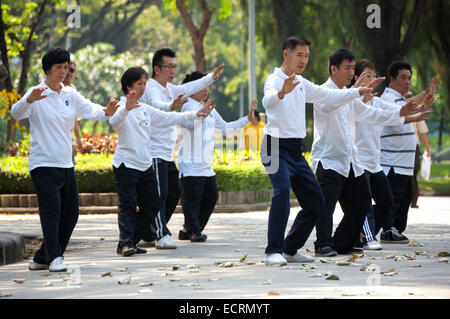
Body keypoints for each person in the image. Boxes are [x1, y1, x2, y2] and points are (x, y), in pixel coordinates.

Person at [261, 36, 373, 266]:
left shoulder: (302, 83)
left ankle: (290, 249)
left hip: (295, 150)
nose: (303, 60)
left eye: (306, 56)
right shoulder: (274, 80)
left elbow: (330, 95)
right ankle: (273, 250)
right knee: (282, 191)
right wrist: (281, 92)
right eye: (299, 55)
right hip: (273, 146)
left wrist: (356, 90)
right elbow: (268, 102)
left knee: (315, 202)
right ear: (286, 54)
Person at [311, 50, 431, 257]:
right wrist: (354, 91)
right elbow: (329, 107)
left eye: (352, 67)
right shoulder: (323, 92)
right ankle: (322, 244)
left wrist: (401, 113)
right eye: (347, 68)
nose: (351, 72)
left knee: (361, 203)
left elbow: (371, 114)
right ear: (333, 69)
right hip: (329, 159)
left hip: (350, 160)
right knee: (327, 205)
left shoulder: (353, 96)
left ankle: (341, 242)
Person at [11, 48, 119, 272]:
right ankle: (55, 257)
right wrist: (28, 100)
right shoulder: (36, 92)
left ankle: (42, 256)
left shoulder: (70, 94)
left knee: (71, 214)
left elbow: (91, 110)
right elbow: (16, 113)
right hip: (43, 163)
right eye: (59, 67)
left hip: (65, 163)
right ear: (48, 69)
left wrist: (107, 111)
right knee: (51, 212)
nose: (64, 71)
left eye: (66, 67)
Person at [109, 67, 214, 256]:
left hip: (144, 164)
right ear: (128, 86)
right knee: (128, 204)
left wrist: (196, 114)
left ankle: (131, 239)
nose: (143, 88)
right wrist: (126, 108)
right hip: (125, 165)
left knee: (154, 205)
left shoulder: (145, 109)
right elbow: (114, 122)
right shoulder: (121, 106)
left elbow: (169, 117)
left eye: (144, 84)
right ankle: (126, 243)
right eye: (139, 84)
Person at [136, 48, 225, 249]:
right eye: (169, 66)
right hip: (153, 151)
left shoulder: (170, 89)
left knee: (173, 194)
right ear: (157, 68)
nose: (173, 70)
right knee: (159, 196)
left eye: (175, 67)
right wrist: (172, 106)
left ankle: (144, 231)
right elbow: (158, 107)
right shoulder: (151, 88)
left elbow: (192, 85)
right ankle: (159, 234)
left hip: (166, 153)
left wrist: (211, 77)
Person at [177, 71, 256, 242]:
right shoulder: (188, 106)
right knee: (192, 201)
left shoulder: (209, 107)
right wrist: (201, 115)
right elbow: (189, 125)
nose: (206, 90)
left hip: (205, 165)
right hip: (190, 165)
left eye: (208, 87)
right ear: (193, 87)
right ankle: (194, 232)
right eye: (203, 86)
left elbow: (225, 128)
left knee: (211, 196)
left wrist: (246, 119)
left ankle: (188, 229)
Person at [379, 61, 438, 243]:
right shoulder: (387, 98)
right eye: (403, 78)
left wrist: (425, 94)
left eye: (409, 78)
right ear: (392, 79)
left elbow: (407, 105)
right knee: (392, 200)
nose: (408, 82)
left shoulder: (398, 98)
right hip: (393, 162)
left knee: (404, 200)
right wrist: (419, 109)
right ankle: (387, 230)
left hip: (404, 162)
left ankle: (395, 229)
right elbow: (399, 113)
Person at [63, 60, 84, 157]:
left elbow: (74, 119)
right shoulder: (56, 89)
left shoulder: (73, 91)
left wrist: (78, 140)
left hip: (69, 140)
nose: (68, 73)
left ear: (75, 73)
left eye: (71, 70)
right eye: (66, 69)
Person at [411, 118, 431, 208]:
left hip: (413, 147)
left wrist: (427, 150)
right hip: (402, 146)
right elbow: (423, 133)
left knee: (413, 174)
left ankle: (413, 201)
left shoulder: (418, 111)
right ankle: (411, 200)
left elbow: (423, 132)